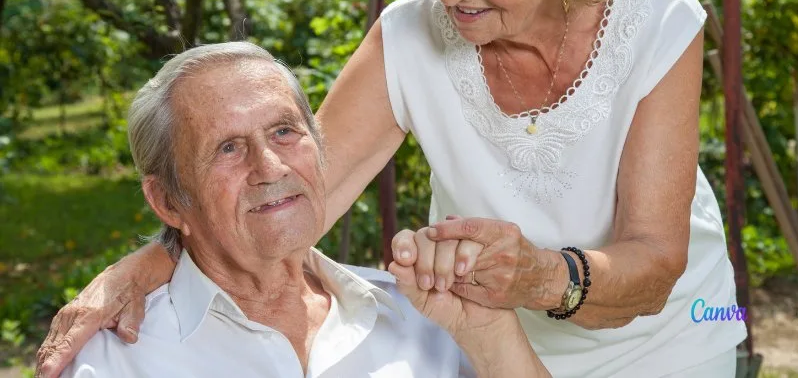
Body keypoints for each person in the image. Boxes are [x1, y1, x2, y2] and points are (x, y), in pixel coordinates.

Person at [37, 0, 747, 377]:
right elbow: (286, 193)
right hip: (480, 344)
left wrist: (533, 275)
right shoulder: (411, 33)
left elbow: (654, 261)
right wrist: (152, 257)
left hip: (665, 339)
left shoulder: (657, 18)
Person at [58, 42, 549, 378]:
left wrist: (489, 333)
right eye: (228, 148)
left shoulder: (420, 313)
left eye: (284, 132)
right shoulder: (118, 357)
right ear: (168, 201)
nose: (269, 166)